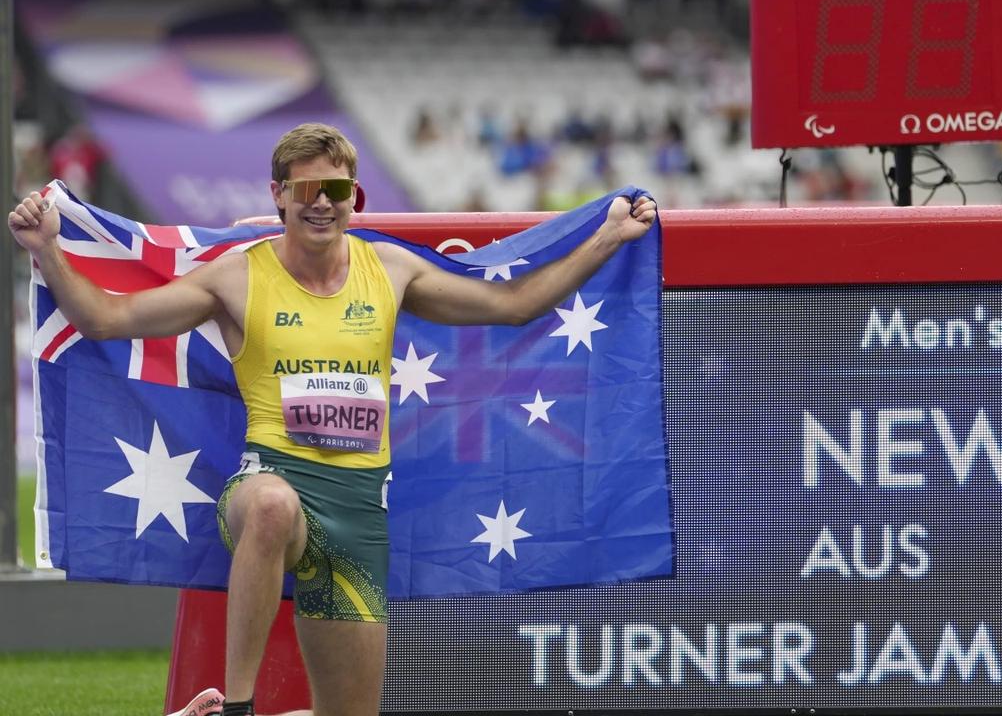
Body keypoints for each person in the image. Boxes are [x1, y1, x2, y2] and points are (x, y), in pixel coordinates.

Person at [7, 123, 657, 716]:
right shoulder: (235, 279)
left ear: (356, 198)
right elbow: (108, 320)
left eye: (336, 189)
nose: (322, 202)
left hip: (357, 514)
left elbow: (513, 306)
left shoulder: (392, 270)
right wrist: (47, 250)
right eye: (308, 189)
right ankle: (235, 707)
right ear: (280, 195)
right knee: (271, 509)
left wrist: (608, 237)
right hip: (270, 481)